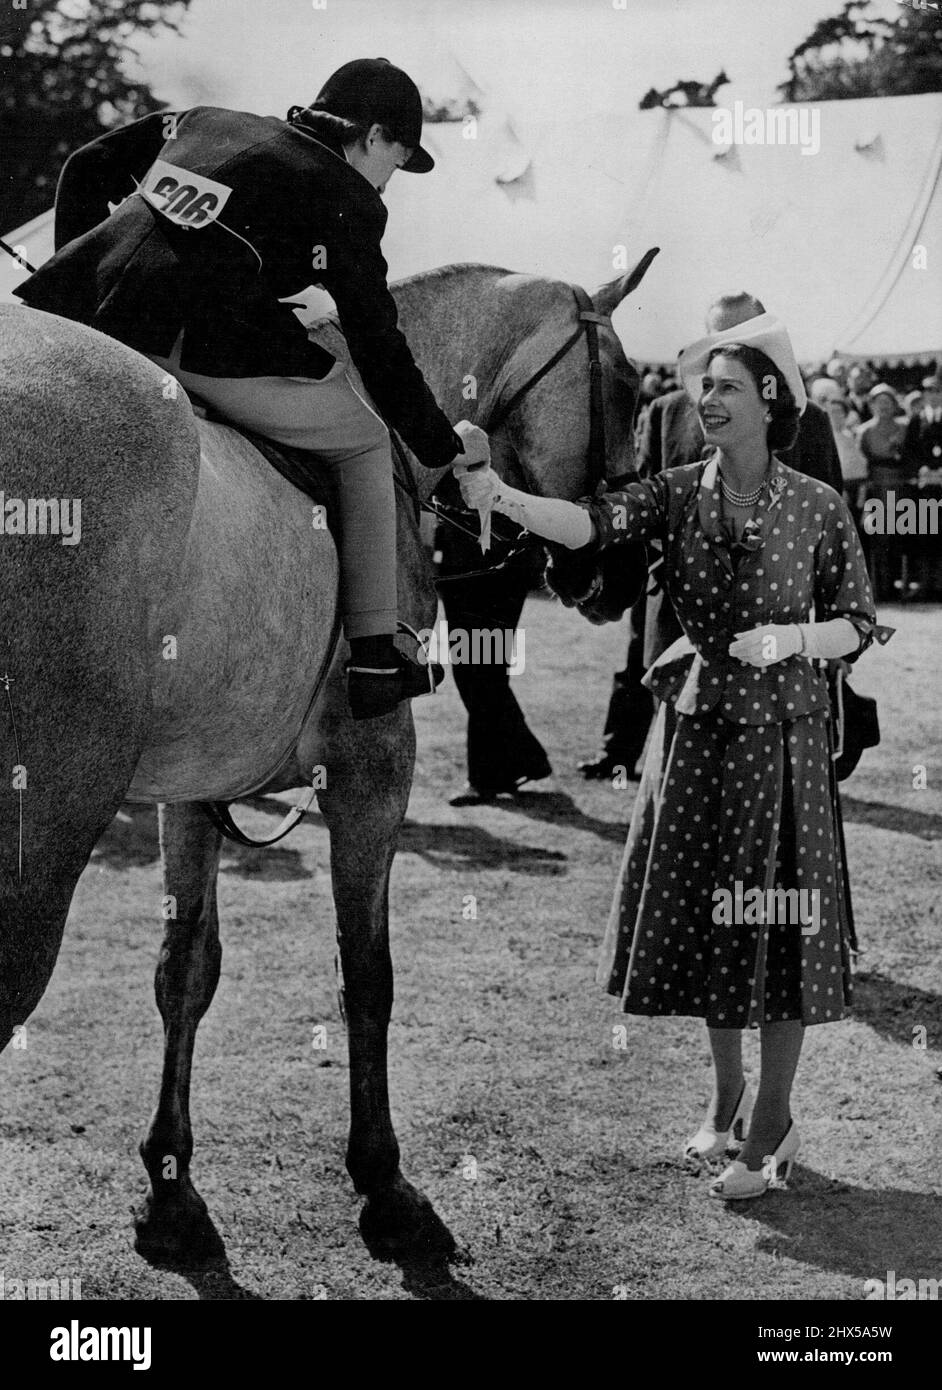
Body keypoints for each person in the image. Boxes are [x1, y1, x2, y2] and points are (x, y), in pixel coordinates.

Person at [458, 314, 891, 1199]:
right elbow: (587, 524)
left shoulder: (818, 504)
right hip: (696, 727)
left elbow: (859, 621)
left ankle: (772, 1125)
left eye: (728, 385)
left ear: (770, 402)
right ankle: (725, 1095)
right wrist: (499, 493)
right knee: (709, 919)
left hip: (785, 738)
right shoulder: (677, 489)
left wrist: (791, 638)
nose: (708, 399)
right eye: (705, 386)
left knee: (771, 922)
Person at [12, 58, 489, 720]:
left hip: (73, 313)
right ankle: (378, 657)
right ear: (377, 136)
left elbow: (87, 164)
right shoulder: (349, 196)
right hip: (187, 343)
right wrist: (442, 443)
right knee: (365, 443)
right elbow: (378, 347)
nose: (391, 181)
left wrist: (83, 274)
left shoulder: (205, 123)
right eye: (398, 161)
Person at [578, 292, 843, 781]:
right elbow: (639, 499)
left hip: (765, 609)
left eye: (743, 335)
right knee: (657, 693)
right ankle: (621, 754)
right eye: (719, 339)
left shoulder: (807, 421)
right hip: (672, 594)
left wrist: (833, 639)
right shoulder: (666, 411)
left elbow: (832, 541)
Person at [858, 383, 907, 601]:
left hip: (901, 487)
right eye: (879, 403)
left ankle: (901, 584)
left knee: (902, 534)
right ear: (872, 405)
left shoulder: (904, 428)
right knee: (879, 538)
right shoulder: (865, 431)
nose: (884, 407)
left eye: (888, 403)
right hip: (877, 488)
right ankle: (881, 587)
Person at [826, 396, 868, 531]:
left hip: (858, 485)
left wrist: (863, 492)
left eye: (839, 411)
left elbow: (862, 463)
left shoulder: (854, 434)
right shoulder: (825, 437)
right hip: (838, 487)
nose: (836, 415)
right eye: (832, 412)